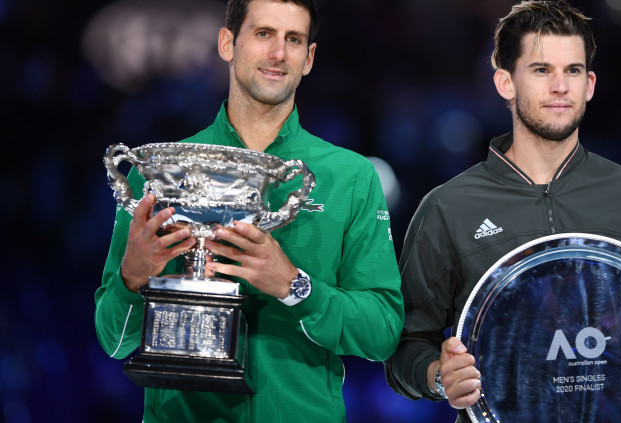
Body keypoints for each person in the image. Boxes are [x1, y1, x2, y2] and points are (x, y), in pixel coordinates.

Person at [384, 1, 621, 421]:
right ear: (506, 83)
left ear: (590, 84)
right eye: (542, 70)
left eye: (574, 70)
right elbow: (405, 348)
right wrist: (439, 375)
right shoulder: (449, 208)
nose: (561, 86)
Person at [94, 0, 404, 421]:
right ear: (227, 43)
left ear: (309, 58)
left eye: (293, 40)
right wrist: (132, 278)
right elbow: (114, 342)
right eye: (263, 34)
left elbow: (382, 333)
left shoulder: (350, 177)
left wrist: (295, 286)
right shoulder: (161, 172)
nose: (278, 53)